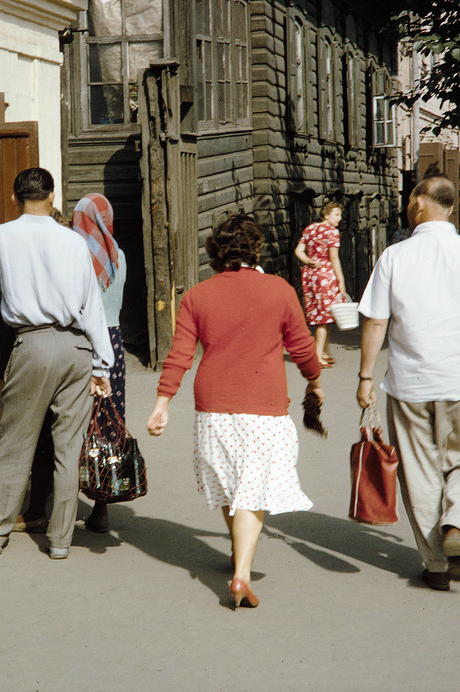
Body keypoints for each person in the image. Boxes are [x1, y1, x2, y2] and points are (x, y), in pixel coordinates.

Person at [147, 213, 323, 609]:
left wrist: (162, 403)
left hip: (213, 406)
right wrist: (314, 380)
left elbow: (179, 356)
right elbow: (302, 348)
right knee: (252, 488)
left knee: (232, 483)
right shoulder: (279, 290)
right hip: (263, 405)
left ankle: (237, 551)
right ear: (255, 248)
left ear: (215, 252)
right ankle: (241, 575)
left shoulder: (197, 295)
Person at [356, 174, 460, 592]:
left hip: (411, 385)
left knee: (420, 474)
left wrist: (365, 377)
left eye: (412, 199)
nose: (408, 205)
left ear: (424, 204)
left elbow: (375, 321)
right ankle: (458, 524)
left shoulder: (394, 256)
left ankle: (437, 566)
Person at [0, 167, 113, 560]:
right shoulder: (74, 242)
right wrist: (102, 366)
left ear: (15, 196)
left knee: (17, 441)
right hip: (77, 348)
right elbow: (92, 307)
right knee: (68, 448)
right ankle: (60, 541)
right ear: (52, 196)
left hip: (31, 343)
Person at [13, 193, 127, 535]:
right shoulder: (119, 255)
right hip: (114, 348)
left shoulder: (72, 254)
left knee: (56, 426)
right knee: (104, 426)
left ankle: (37, 508)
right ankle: (101, 510)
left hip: (79, 342)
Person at [295, 201, 347, 368]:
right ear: (326, 215)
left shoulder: (309, 228)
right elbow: (333, 258)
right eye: (336, 215)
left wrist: (309, 262)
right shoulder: (332, 232)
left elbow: (298, 251)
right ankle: (317, 356)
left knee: (322, 314)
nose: (340, 218)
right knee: (325, 317)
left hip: (310, 275)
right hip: (325, 275)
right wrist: (341, 280)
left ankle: (324, 351)